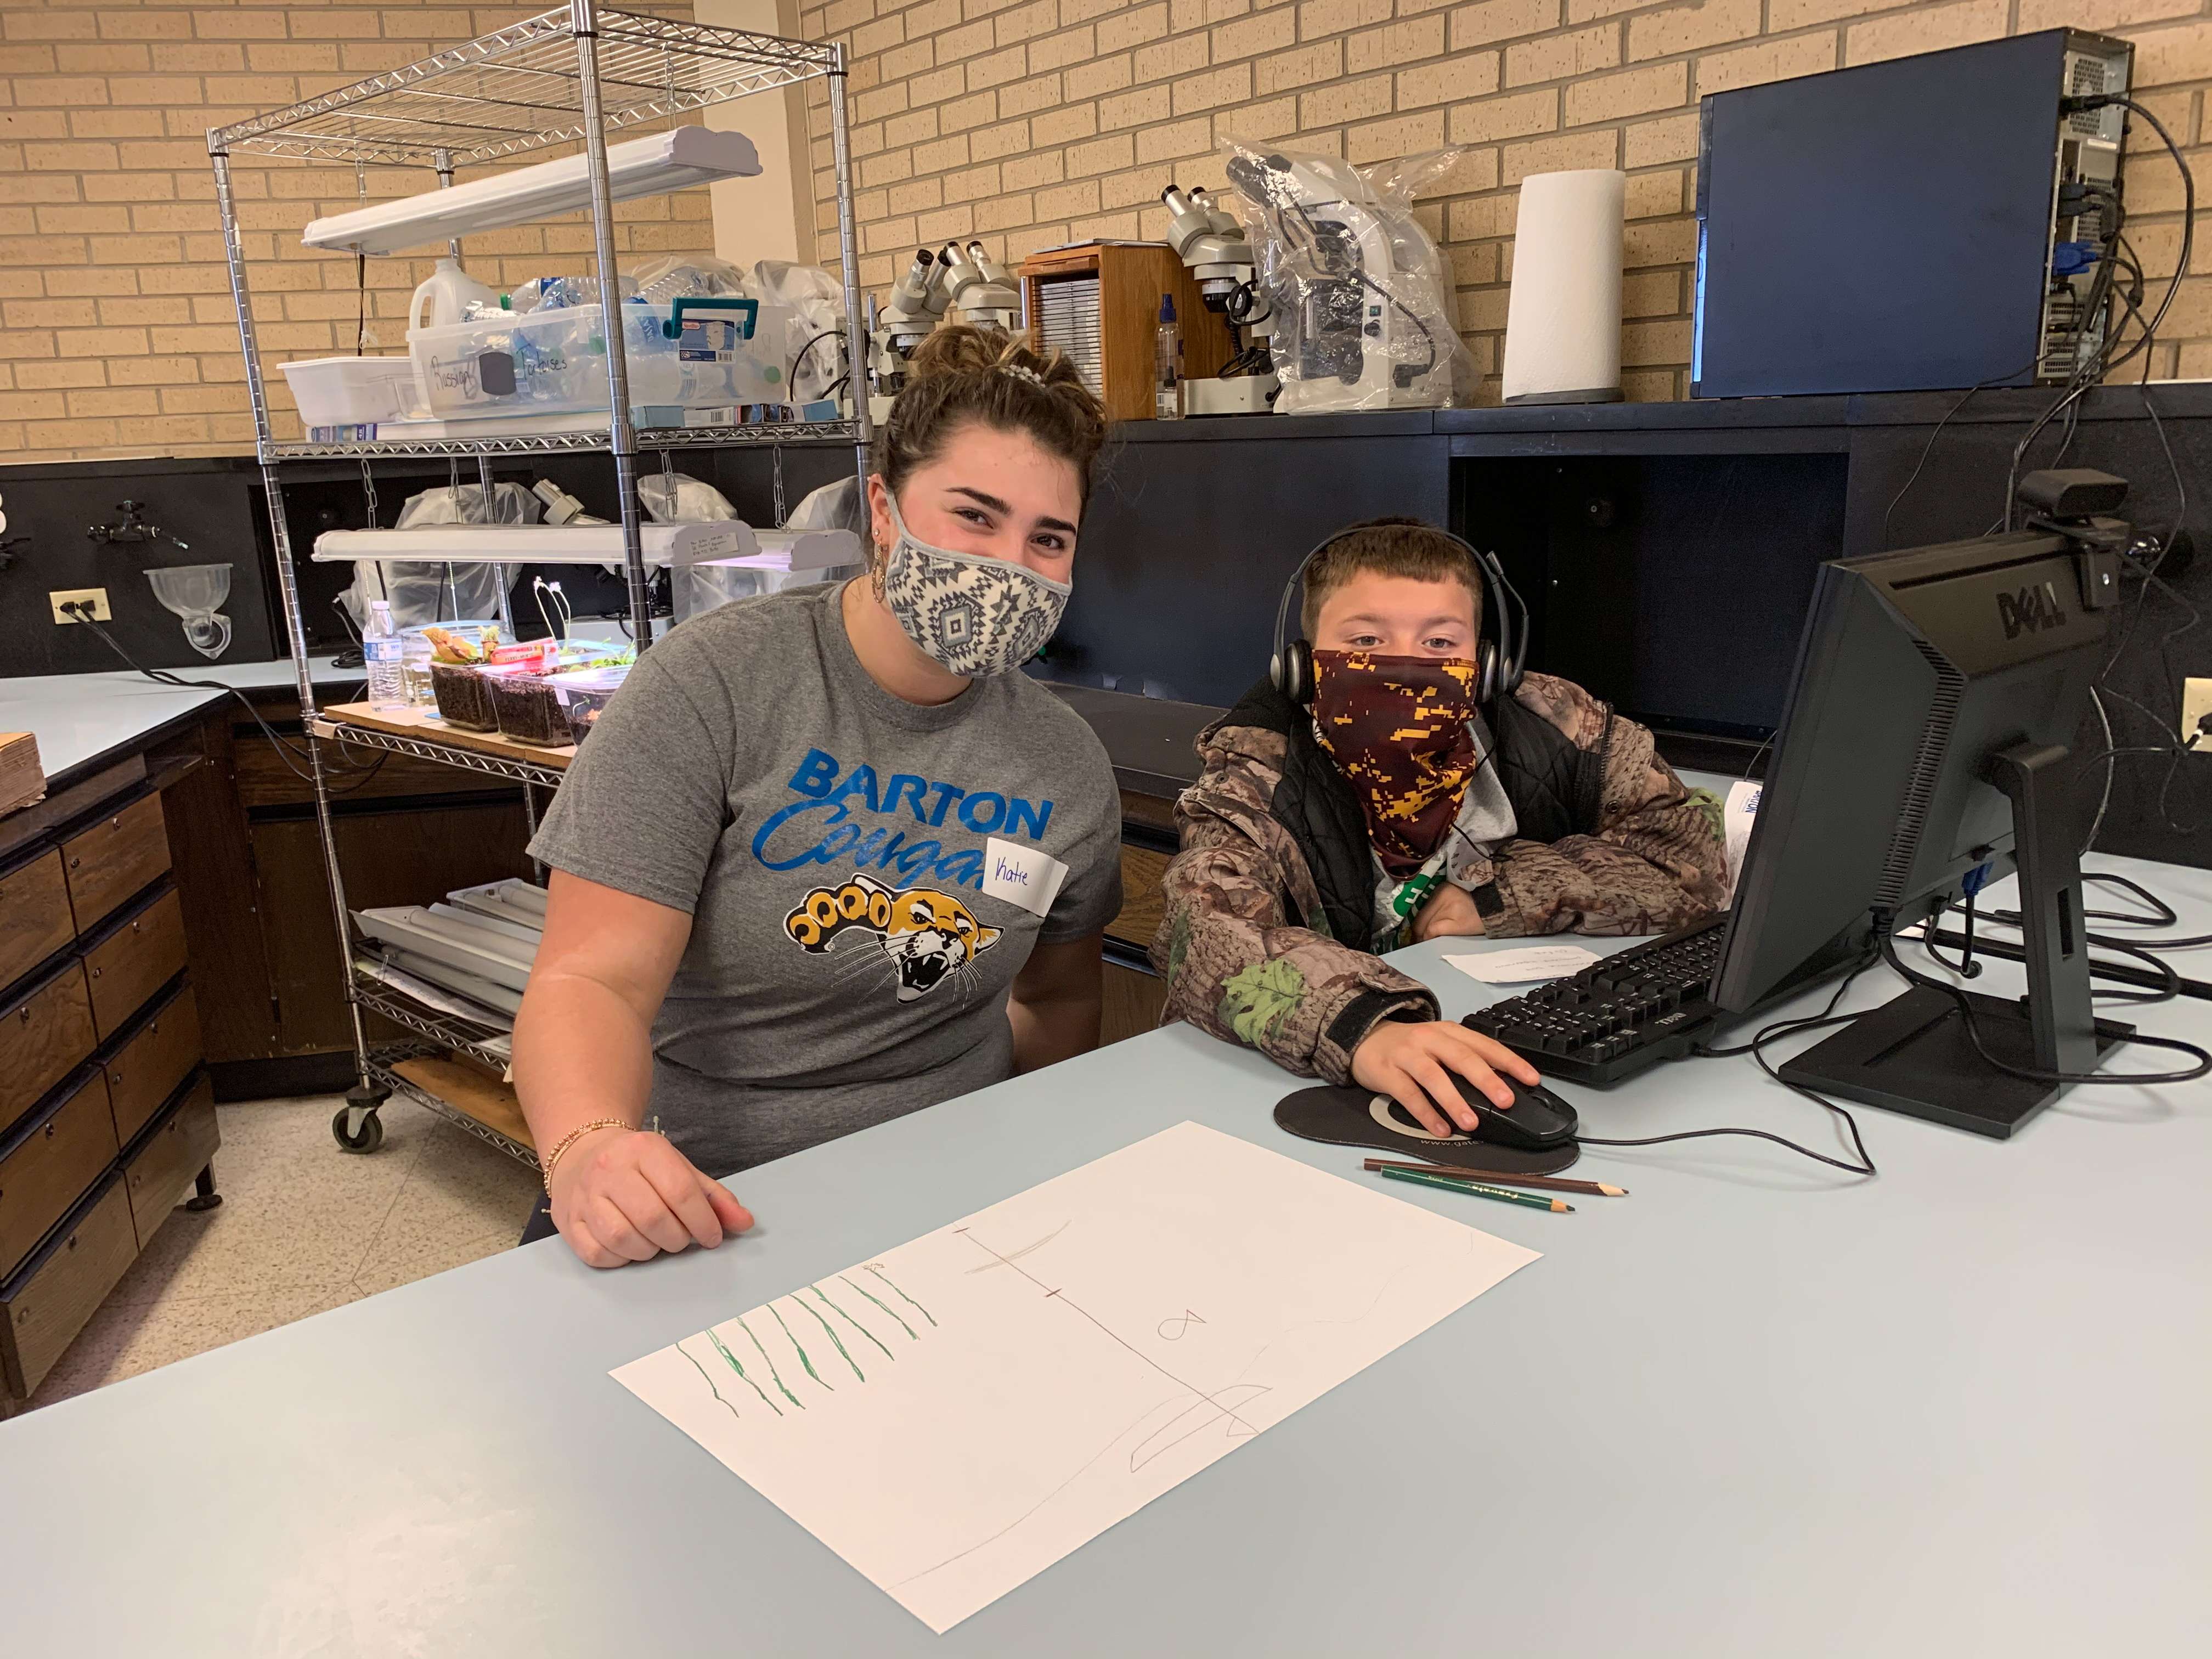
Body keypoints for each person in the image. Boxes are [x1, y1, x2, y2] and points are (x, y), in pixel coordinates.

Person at [514, 326, 1124, 1268]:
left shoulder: (1065, 766)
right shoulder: (714, 684)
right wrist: (591, 1144)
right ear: (883, 508)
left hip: (953, 1187)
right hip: (708, 1199)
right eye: (973, 515)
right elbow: (590, 979)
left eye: (1048, 537)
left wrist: (1051, 1177)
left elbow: (1056, 999)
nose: (1009, 562)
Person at [1151, 517, 1727, 1138]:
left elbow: (1687, 857)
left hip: (1500, 1045)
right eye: (1366, 641)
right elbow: (1200, 925)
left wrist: (1500, 898)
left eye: (1438, 645)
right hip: (1280, 1095)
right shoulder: (1255, 770)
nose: (1402, 666)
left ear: (1488, 665)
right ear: (1303, 665)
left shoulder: (1560, 727)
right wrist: (1361, 1025)